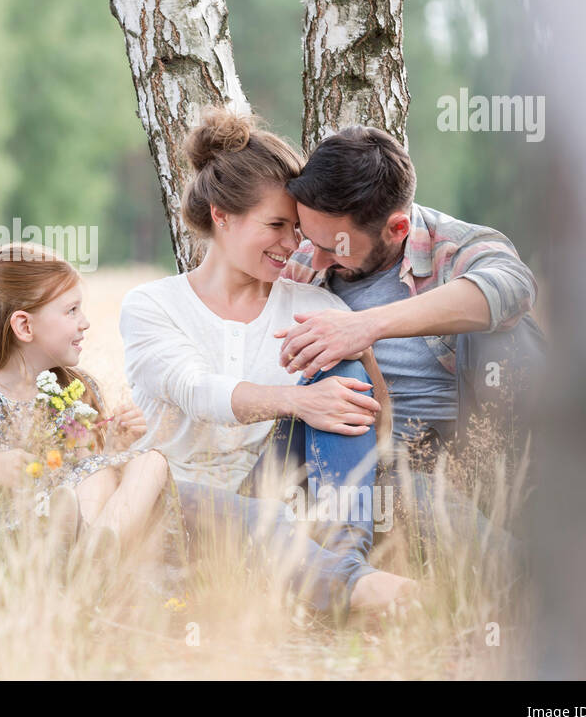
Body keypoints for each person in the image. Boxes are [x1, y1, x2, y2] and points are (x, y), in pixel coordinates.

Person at [119, 109, 417, 623]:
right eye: (276, 225)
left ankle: (344, 563)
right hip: (178, 500)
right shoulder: (151, 306)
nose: (293, 245)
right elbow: (198, 390)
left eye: (297, 229)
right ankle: (356, 589)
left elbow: (376, 427)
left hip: (278, 491)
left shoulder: (314, 307)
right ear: (222, 215)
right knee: (213, 505)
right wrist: (299, 400)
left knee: (338, 357)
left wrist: (362, 355)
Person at [277, 124, 545, 563]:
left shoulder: (454, 244)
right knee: (406, 487)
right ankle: (525, 583)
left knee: (508, 331)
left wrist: (367, 326)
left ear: (397, 227)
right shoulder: (305, 262)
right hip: (384, 461)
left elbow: (513, 285)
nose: (314, 257)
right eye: (310, 238)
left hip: (486, 444)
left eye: (334, 246)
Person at [0, 242, 187, 589]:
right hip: (11, 545)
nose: (85, 322)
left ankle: (90, 565)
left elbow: (92, 470)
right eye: (71, 311)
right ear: (24, 326)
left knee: (152, 461)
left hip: (79, 529)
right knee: (93, 480)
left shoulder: (78, 391)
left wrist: (113, 447)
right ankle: (84, 573)